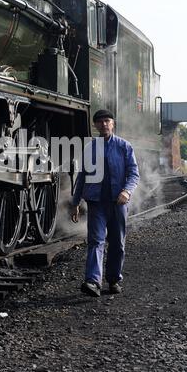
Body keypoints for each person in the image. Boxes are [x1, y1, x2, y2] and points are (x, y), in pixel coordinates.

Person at [71, 109, 140, 297]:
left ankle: (113, 279)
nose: (104, 124)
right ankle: (93, 281)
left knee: (117, 243)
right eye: (100, 122)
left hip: (118, 203)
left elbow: (134, 173)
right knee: (95, 241)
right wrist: (75, 202)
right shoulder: (90, 148)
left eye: (107, 121)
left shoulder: (124, 146)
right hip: (97, 202)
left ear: (113, 123)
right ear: (95, 125)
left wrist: (127, 191)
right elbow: (82, 176)